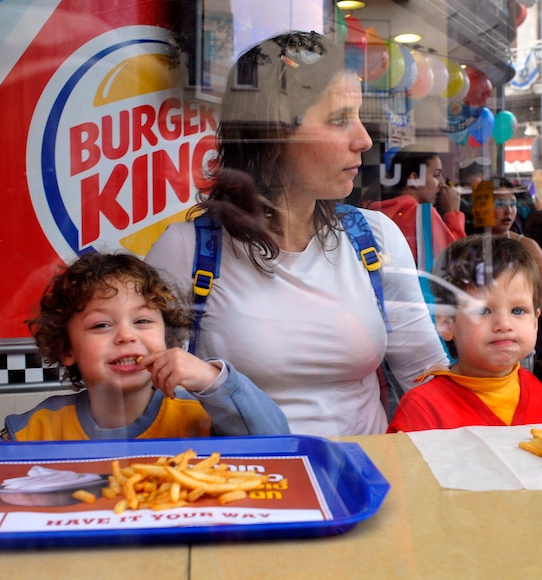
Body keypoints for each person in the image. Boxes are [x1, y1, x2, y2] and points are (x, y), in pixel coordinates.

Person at [145, 31, 448, 436]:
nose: (364, 139)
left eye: (358, 117)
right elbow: (154, 392)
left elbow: (425, 376)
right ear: (271, 135)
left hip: (365, 478)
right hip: (244, 486)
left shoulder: (374, 237)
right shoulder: (188, 250)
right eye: (340, 119)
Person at [0, 253, 289, 450]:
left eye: (142, 322)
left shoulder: (200, 414)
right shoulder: (39, 427)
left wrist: (211, 379)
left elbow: (277, 441)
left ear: (168, 339)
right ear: (67, 349)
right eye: (101, 325)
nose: (125, 337)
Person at [387, 235, 542, 431]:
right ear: (447, 323)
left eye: (518, 311)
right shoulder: (422, 410)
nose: (504, 324)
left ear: (535, 322)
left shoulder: (538, 392)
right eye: (483, 311)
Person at [363, 145, 466, 272]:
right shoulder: (421, 214)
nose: (442, 183)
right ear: (414, 179)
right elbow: (457, 260)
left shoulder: (377, 208)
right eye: (436, 175)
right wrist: (453, 212)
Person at [485, 179, 542, 316]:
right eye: (500, 204)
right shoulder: (469, 243)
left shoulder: (527, 246)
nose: (508, 211)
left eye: (513, 204)